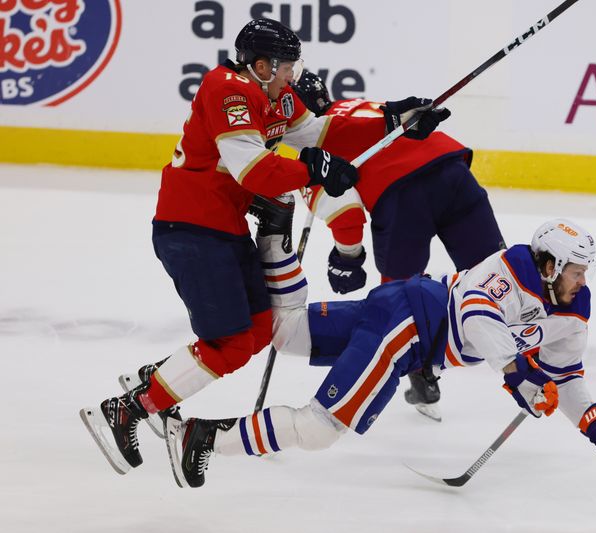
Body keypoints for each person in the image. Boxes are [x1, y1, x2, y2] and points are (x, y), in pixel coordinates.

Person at [79, 18, 449, 476]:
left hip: (223, 229)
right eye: (287, 68)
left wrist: (394, 118)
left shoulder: (274, 94)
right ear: (260, 65)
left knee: (255, 332)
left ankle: (149, 384)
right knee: (231, 344)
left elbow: (320, 131)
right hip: (191, 230)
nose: (293, 76)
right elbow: (253, 172)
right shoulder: (227, 91)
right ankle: (127, 409)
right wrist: (314, 171)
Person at [164, 210, 596, 488]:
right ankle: (199, 439)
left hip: (404, 317)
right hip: (407, 325)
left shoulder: (573, 310)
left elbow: (566, 375)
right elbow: (476, 316)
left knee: (283, 330)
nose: (582, 280)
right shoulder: (511, 268)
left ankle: (273, 235)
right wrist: (519, 374)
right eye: (576, 269)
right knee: (322, 427)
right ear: (550, 265)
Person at [290, 69, 507, 420]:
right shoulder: (356, 108)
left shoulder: (310, 147)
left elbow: (345, 216)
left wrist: (347, 258)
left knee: (400, 302)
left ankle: (421, 375)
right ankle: (535, 351)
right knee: (498, 278)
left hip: (402, 197)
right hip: (453, 173)